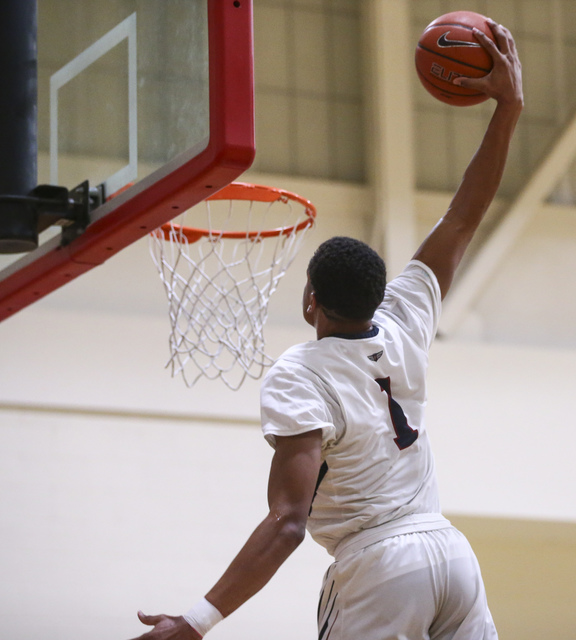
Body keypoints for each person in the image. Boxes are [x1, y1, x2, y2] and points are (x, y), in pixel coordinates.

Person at [129, 19, 523, 640]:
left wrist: (196, 621)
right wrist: (508, 107)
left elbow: (288, 523)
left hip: (379, 568)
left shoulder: (298, 376)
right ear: (379, 293)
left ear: (310, 300)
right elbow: (463, 217)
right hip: (452, 556)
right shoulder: (406, 318)